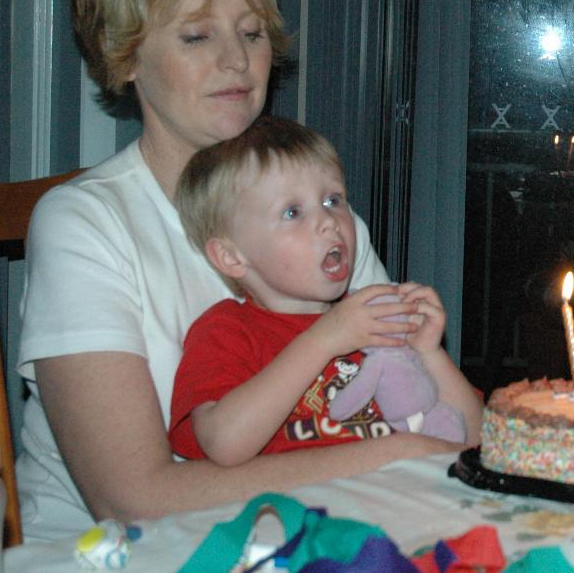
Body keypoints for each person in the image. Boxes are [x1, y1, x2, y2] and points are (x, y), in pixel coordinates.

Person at [16, 0, 456, 541]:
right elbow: (133, 498)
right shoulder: (85, 225)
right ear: (126, 56)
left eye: (251, 34)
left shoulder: (320, 217)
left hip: (310, 535)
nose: (237, 61)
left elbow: (402, 401)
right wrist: (393, 462)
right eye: (197, 36)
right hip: (117, 553)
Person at [167, 116, 479, 465]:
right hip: (302, 512)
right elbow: (223, 444)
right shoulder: (225, 331)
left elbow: (475, 436)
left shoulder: (378, 312)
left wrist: (429, 352)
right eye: (292, 211)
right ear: (231, 256)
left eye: (333, 200)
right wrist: (324, 339)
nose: (329, 221)